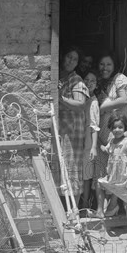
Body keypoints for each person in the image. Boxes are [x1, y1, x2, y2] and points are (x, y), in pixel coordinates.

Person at [94, 51, 127, 216]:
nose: (105, 68)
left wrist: (101, 108)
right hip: (104, 132)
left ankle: (114, 205)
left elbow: (124, 100)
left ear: (114, 65)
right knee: (105, 169)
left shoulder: (121, 79)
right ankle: (102, 208)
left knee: (118, 167)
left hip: (117, 130)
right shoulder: (101, 82)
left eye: (108, 64)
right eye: (102, 64)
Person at [98, 113, 127, 239]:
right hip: (116, 178)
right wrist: (97, 140)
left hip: (126, 178)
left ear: (125, 128)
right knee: (99, 184)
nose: (117, 130)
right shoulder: (112, 141)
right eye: (114, 127)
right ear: (110, 128)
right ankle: (101, 213)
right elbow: (106, 150)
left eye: (120, 127)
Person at [58, 45, 89, 207]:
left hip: (73, 133)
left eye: (75, 59)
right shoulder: (60, 77)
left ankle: (74, 212)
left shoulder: (75, 79)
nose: (71, 61)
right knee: (62, 167)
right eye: (69, 57)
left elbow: (80, 104)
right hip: (63, 130)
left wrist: (60, 98)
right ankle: (62, 211)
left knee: (72, 167)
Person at [81, 70, 100, 210]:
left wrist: (93, 146)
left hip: (88, 143)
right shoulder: (82, 99)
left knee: (87, 175)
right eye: (86, 80)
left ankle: (86, 203)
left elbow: (94, 126)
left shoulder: (93, 102)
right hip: (79, 141)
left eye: (93, 81)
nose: (89, 83)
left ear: (97, 84)